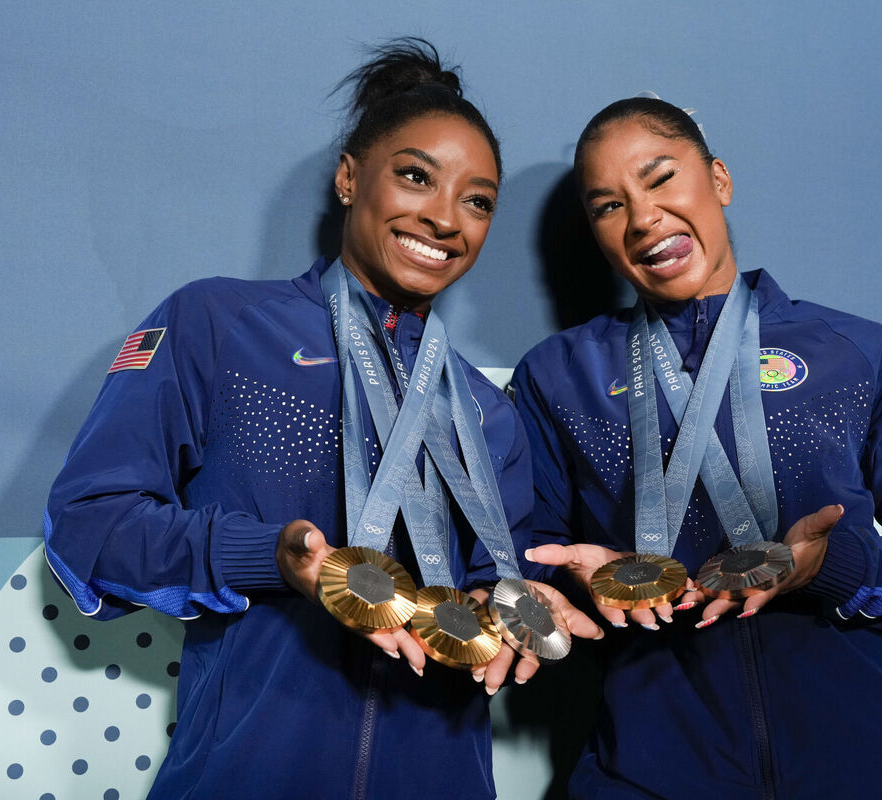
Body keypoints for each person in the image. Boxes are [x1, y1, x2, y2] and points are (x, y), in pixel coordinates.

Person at [45, 39, 598, 800]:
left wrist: (510, 612)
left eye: (477, 200)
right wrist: (273, 559)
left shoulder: (487, 411)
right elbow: (89, 527)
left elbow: (483, 599)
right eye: (415, 176)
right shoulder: (221, 324)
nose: (445, 219)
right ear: (348, 177)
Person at [511, 96, 882, 799]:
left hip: (869, 771)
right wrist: (573, 584)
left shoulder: (856, 354)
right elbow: (524, 564)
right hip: (648, 775)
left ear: (719, 180)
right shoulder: (560, 375)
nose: (644, 217)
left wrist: (832, 566)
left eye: (660, 179)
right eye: (608, 206)